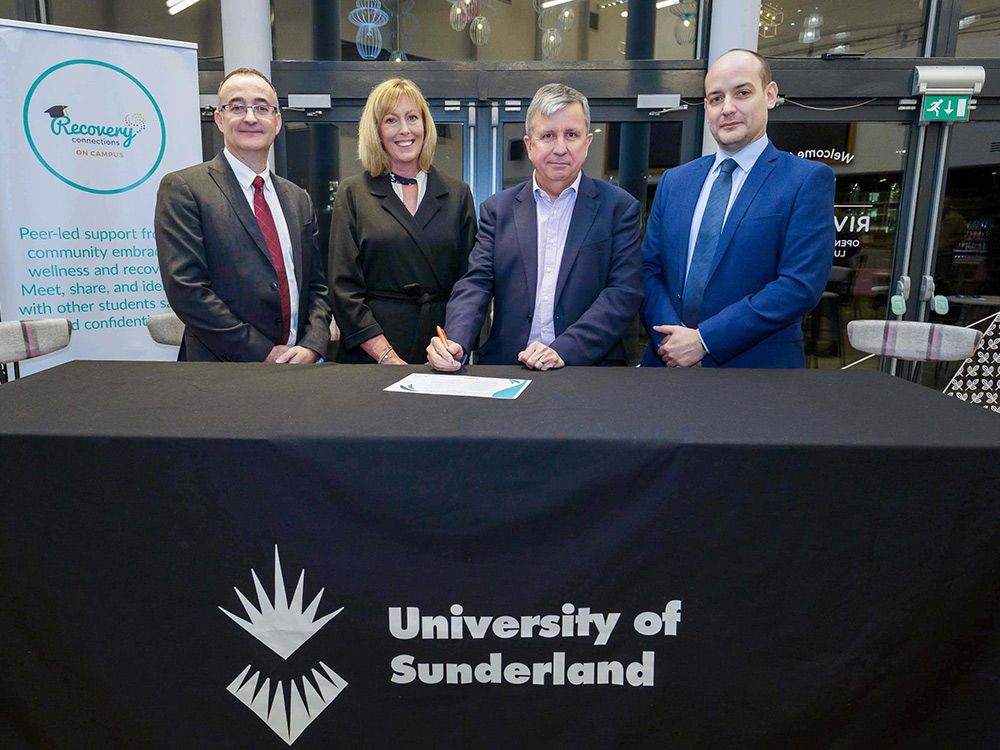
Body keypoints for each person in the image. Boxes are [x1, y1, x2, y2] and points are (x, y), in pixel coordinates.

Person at [640, 49, 835, 368]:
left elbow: (800, 285)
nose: (727, 108)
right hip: (667, 366)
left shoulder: (806, 180)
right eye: (716, 99)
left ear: (770, 95)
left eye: (742, 93)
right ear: (706, 107)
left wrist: (704, 341)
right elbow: (649, 270)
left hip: (757, 373)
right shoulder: (675, 182)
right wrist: (670, 341)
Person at [427, 83, 642, 371]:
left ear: (588, 142)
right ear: (530, 145)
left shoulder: (619, 208)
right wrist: (456, 342)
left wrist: (563, 349)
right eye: (548, 136)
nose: (560, 148)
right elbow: (476, 283)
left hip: (587, 369)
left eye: (572, 135)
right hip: (507, 367)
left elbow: (622, 293)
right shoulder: (498, 209)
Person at [156, 67, 331, 363]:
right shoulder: (184, 189)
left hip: (299, 369)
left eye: (262, 108)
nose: (250, 117)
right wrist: (263, 352)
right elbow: (187, 290)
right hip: (221, 373)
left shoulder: (297, 198)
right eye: (237, 107)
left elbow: (316, 285)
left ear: (277, 122)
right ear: (219, 119)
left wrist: (313, 344)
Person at [328, 78, 477, 364]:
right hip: (371, 352)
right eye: (391, 120)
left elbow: (470, 283)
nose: (405, 130)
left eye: (412, 118)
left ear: (425, 125)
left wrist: (454, 345)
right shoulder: (353, 193)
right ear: (377, 131)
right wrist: (386, 356)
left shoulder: (458, 194)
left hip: (441, 349)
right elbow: (343, 288)